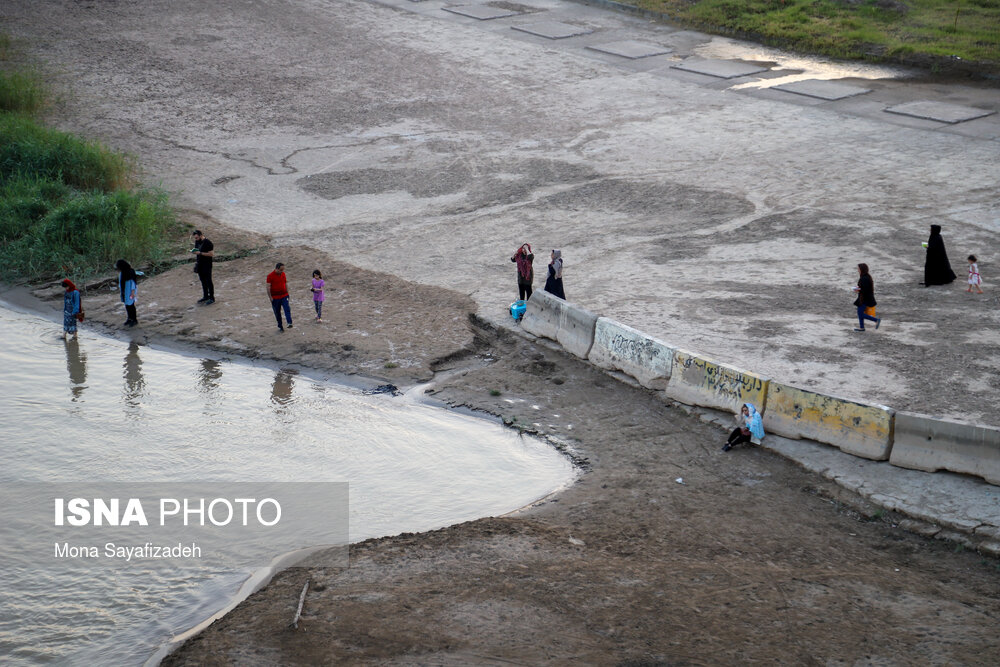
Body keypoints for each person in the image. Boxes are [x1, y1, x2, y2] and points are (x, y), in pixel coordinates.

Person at [852, 263, 881, 332]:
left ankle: (876, 320)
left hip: (864, 298)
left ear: (862, 269)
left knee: (860, 313)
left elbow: (865, 290)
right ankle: (862, 328)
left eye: (858, 269)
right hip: (865, 297)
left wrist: (857, 289)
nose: (858, 270)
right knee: (860, 312)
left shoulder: (864, 278)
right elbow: (865, 288)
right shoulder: (866, 276)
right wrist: (858, 288)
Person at [266, 262, 292, 332]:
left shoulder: (283, 274)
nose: (282, 271)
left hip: (284, 295)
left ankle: (289, 322)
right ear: (276, 269)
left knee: (287, 309)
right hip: (275, 297)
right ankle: (280, 326)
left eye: (283, 270)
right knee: (277, 312)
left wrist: (287, 293)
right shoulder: (270, 276)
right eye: (280, 270)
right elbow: (268, 287)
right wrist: (270, 297)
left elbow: (285, 283)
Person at [192, 230, 215, 304]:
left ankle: (211, 298)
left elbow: (211, 254)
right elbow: (197, 250)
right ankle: (205, 296)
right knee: (203, 281)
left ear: (201, 235)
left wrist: (200, 253)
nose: (196, 239)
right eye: (195, 238)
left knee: (209, 281)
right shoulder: (197, 242)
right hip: (200, 264)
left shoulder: (208, 243)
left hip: (207, 265)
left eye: (197, 237)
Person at [115, 259, 138, 327]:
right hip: (125, 291)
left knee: (131, 306)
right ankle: (129, 318)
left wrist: (132, 293)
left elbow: (133, 284)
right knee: (127, 305)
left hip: (130, 292)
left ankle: (134, 320)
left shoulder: (130, 272)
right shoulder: (122, 272)